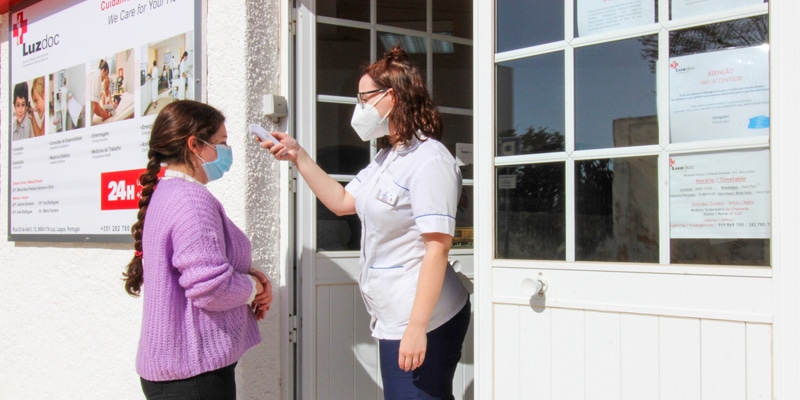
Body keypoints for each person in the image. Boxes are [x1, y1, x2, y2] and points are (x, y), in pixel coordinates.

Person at [260, 46, 470, 399]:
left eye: (364, 98)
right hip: (393, 318)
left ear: (392, 96)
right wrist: (299, 156)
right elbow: (343, 202)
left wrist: (417, 327)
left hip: (425, 320)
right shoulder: (388, 157)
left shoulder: (430, 160)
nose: (359, 109)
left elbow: (437, 248)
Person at [123, 100, 273, 400]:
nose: (227, 151)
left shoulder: (166, 193)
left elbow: (192, 268)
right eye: (221, 142)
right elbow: (209, 288)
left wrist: (245, 275)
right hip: (193, 375)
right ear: (194, 144)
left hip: (177, 370)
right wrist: (253, 287)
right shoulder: (191, 200)